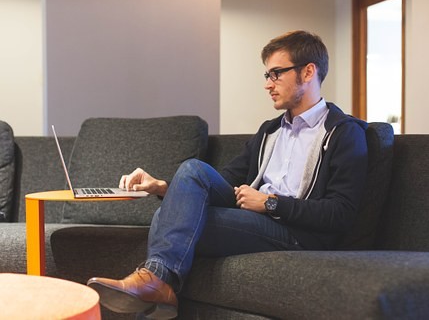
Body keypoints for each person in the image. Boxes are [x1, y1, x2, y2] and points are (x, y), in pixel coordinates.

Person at [87, 30, 368, 319]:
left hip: (299, 233)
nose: (268, 85)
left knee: (167, 219)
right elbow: (218, 180)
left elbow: (341, 213)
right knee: (193, 171)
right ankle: (158, 286)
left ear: (308, 71)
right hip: (256, 218)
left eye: (276, 74)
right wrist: (161, 187)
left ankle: (157, 284)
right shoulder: (270, 131)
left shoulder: (343, 132)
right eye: (266, 75)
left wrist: (270, 203)